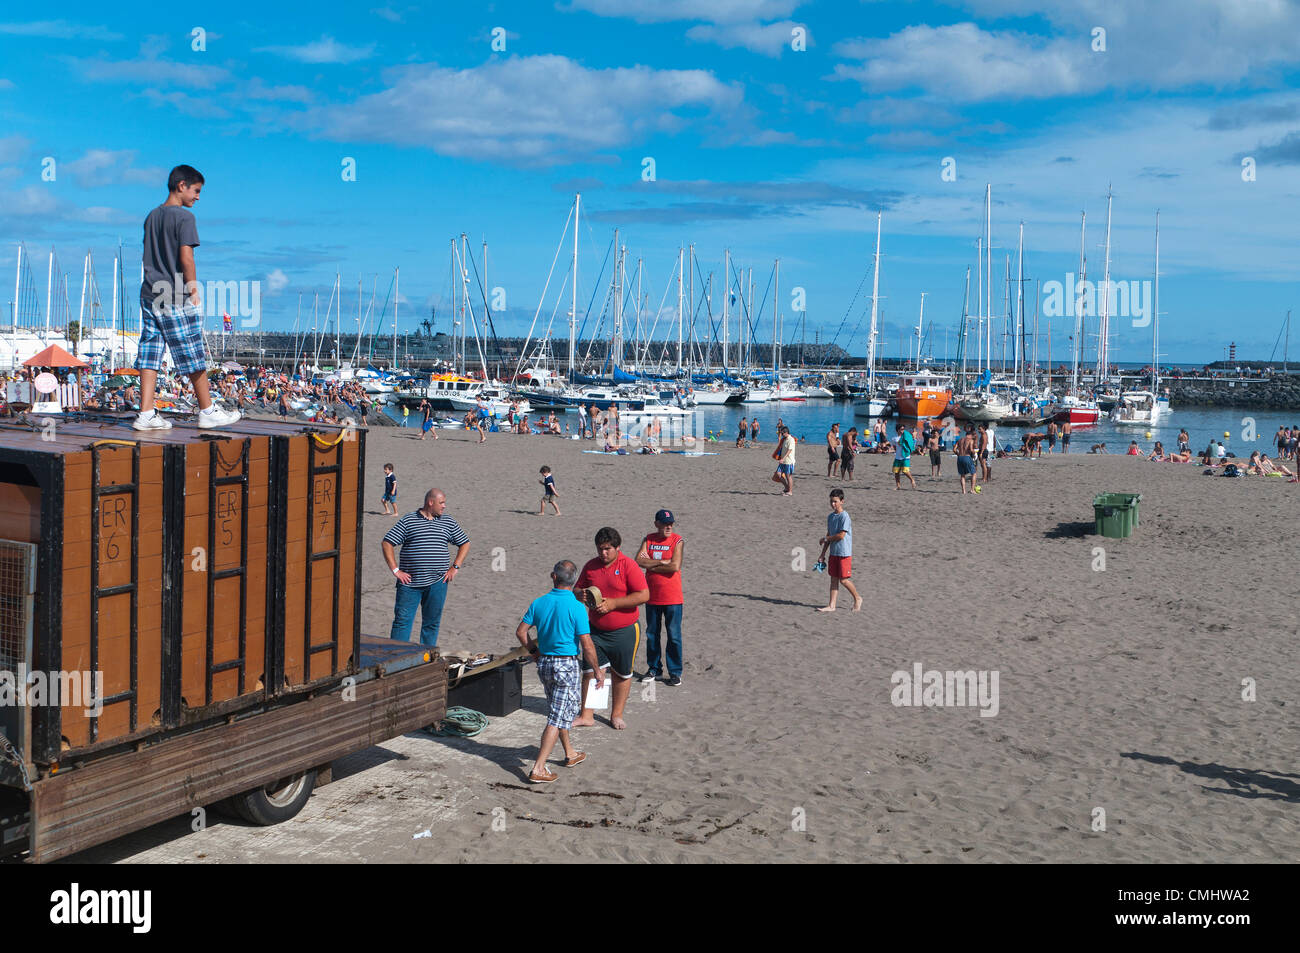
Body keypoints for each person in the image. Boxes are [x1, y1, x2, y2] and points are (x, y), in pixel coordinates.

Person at [134, 164, 241, 431]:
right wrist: (193, 289)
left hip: (149, 291)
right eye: (196, 190)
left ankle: (145, 414)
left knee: (150, 352)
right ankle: (207, 410)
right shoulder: (184, 219)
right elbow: (186, 258)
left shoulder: (151, 216)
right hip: (173, 292)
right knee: (193, 353)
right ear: (181, 185)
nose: (198, 197)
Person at [516, 561, 604, 784]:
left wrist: (535, 653)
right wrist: (597, 670)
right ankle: (538, 767)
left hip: (545, 663)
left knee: (558, 708)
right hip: (566, 665)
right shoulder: (576, 607)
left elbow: (521, 632)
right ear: (573, 581)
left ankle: (570, 753)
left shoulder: (539, 602)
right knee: (557, 716)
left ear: (554, 576)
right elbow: (587, 644)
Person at [573, 527, 649, 730]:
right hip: (596, 630)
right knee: (590, 671)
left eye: (607, 549)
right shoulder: (591, 566)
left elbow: (643, 595)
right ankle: (587, 715)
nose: (603, 553)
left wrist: (614, 604)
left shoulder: (629, 566)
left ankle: (616, 714)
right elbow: (577, 588)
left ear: (617, 547)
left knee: (621, 674)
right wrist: (580, 594)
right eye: (600, 549)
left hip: (625, 631)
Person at [381, 488, 470, 648]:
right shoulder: (409, 520)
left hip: (438, 582)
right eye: (441, 503)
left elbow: (464, 542)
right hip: (409, 585)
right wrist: (396, 570)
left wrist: (455, 567)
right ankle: (396, 656)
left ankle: (426, 657)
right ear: (431, 502)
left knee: (432, 622)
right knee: (402, 622)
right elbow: (387, 542)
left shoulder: (448, 521)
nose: (444, 506)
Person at [634, 509, 685, 686]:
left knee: (674, 635)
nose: (668, 526)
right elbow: (638, 561)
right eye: (664, 523)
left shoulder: (677, 540)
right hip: (652, 596)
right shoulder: (648, 539)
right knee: (652, 635)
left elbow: (674, 566)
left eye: (670, 523)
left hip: (672, 597)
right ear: (656, 523)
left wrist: (652, 565)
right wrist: (662, 562)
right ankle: (654, 669)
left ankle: (675, 672)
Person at [816, 488, 862, 612]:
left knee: (844, 580)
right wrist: (822, 554)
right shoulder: (830, 517)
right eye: (831, 501)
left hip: (844, 553)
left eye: (835, 501)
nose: (833, 504)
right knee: (833, 579)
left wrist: (826, 538)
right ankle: (831, 605)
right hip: (834, 553)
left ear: (842, 501)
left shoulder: (845, 516)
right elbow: (829, 536)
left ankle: (857, 598)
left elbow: (841, 535)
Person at [771, 425, 797, 496]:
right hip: (783, 461)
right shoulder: (784, 439)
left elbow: (790, 450)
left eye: (782, 433)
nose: (781, 435)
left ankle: (790, 491)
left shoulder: (791, 439)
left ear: (786, 432)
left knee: (788, 476)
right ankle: (786, 487)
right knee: (778, 474)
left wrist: (783, 458)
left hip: (789, 461)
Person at [892, 423, 916, 489]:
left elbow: (911, 443)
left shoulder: (907, 437)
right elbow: (895, 448)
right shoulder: (894, 438)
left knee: (905, 471)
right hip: (898, 457)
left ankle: (912, 480)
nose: (903, 430)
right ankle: (898, 486)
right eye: (901, 429)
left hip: (905, 456)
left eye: (903, 429)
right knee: (896, 472)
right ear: (898, 430)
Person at [955, 426, 978, 494]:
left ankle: (964, 491)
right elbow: (971, 450)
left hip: (960, 458)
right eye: (972, 436)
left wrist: (958, 454)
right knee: (974, 473)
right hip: (967, 457)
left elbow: (954, 449)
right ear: (970, 435)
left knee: (962, 475)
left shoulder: (960, 440)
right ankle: (972, 489)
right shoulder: (970, 440)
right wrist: (975, 452)